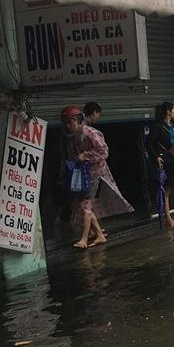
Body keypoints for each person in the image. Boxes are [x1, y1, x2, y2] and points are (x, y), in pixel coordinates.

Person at [60, 106, 134, 249]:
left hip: (94, 175)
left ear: (77, 120)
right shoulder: (72, 138)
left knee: (85, 205)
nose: (68, 126)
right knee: (81, 205)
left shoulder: (91, 134)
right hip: (80, 176)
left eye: (70, 122)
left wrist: (86, 156)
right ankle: (99, 235)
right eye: (66, 124)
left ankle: (83, 239)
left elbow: (104, 152)